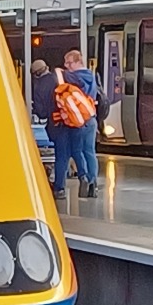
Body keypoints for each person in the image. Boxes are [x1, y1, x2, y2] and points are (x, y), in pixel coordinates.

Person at [30, 59, 88, 200]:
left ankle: (59, 189)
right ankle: (84, 176)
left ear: (36, 74)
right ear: (47, 67)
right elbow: (80, 85)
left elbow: (42, 113)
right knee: (77, 151)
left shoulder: (38, 87)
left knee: (61, 156)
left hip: (57, 125)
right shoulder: (62, 74)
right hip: (74, 120)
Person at [63, 49, 100, 198]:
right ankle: (93, 183)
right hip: (91, 118)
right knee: (90, 151)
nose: (66, 66)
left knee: (77, 150)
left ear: (79, 62)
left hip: (77, 119)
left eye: (69, 62)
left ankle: (83, 177)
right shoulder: (91, 76)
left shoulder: (75, 78)